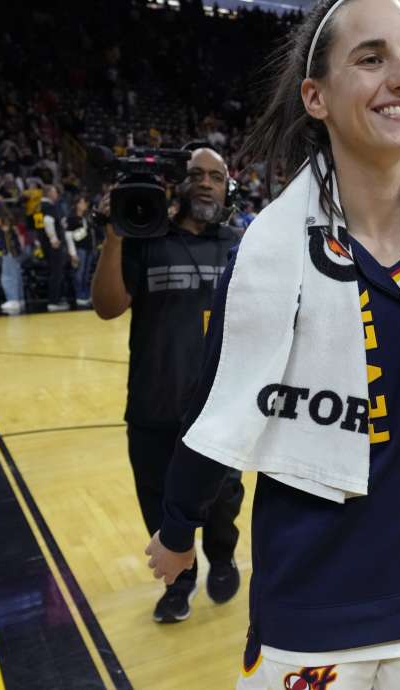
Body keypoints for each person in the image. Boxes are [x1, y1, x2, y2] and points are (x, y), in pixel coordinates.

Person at [147, 0, 400, 687]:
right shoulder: (267, 250)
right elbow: (221, 408)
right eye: (372, 57)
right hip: (314, 603)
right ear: (314, 97)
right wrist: (179, 530)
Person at [91, 147, 246, 623]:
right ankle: (179, 580)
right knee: (157, 499)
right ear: (177, 186)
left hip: (222, 406)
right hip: (154, 401)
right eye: (195, 175)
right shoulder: (146, 238)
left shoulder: (241, 244)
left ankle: (221, 557)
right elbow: (107, 307)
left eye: (215, 177)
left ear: (228, 189)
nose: (204, 183)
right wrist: (114, 237)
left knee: (222, 498)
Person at [38, 185, 76, 311]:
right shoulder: (48, 207)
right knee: (56, 273)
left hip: (49, 245)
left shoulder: (43, 207)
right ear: (48, 193)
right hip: (54, 246)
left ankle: (56, 299)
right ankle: (53, 301)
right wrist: (53, 239)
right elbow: (48, 222)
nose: (57, 194)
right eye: (55, 191)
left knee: (56, 272)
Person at [67, 196, 95, 307]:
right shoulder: (72, 218)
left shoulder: (86, 217)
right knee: (79, 273)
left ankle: (86, 294)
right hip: (79, 249)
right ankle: (80, 295)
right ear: (77, 204)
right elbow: (68, 236)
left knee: (87, 273)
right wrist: (73, 253)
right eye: (83, 202)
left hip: (88, 248)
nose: (85, 205)